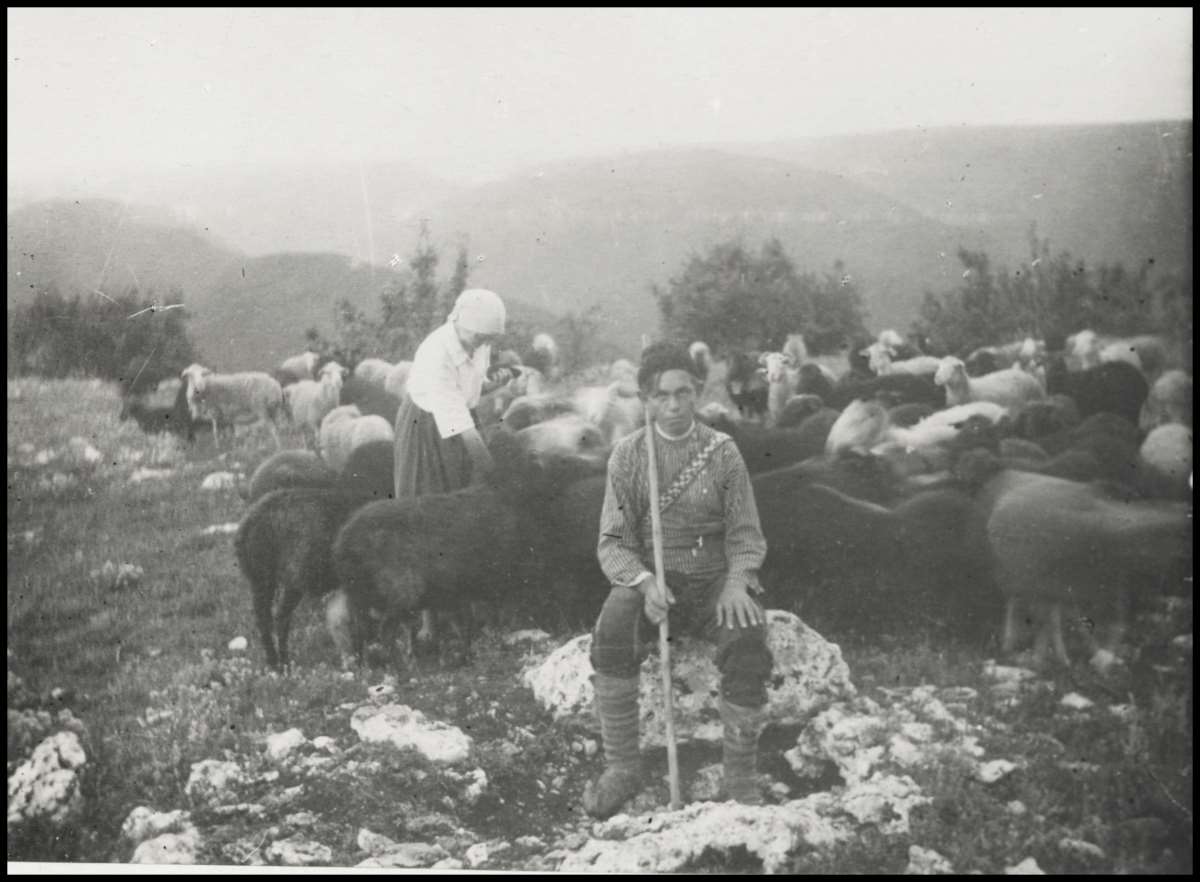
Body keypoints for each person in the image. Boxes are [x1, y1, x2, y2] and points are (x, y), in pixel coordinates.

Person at [583, 341, 774, 819]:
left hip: (712, 582)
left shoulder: (723, 453)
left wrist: (737, 583)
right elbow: (613, 542)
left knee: (747, 634)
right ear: (645, 399)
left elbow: (746, 534)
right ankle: (623, 767)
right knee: (612, 627)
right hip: (652, 582)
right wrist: (645, 583)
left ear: (698, 392)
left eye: (683, 393)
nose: (673, 405)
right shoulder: (628, 456)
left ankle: (739, 776)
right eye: (661, 396)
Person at [393, 287, 515, 645]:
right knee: (428, 513)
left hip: (461, 422)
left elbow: (469, 389)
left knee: (461, 516)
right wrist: (493, 473)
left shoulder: (477, 342)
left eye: (488, 339)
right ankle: (429, 621)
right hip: (427, 430)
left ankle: (460, 603)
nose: (483, 344)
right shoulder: (436, 353)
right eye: (479, 336)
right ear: (459, 322)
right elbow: (458, 421)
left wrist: (493, 384)